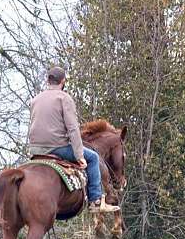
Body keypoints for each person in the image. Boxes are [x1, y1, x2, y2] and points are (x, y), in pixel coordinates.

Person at [28, 66, 120, 213]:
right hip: (57, 147)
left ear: (48, 80)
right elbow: (73, 129)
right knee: (94, 158)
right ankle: (95, 201)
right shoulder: (64, 98)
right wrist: (79, 155)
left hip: (35, 150)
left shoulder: (35, 100)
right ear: (63, 81)